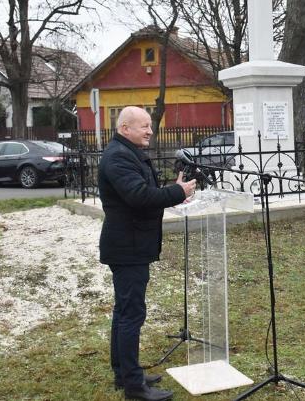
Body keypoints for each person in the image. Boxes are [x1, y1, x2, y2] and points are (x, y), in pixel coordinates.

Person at [99, 106, 196, 401]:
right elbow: (139, 196)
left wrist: (172, 192)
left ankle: (125, 373)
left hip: (131, 244)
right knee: (131, 314)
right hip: (127, 247)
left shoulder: (128, 152)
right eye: (144, 126)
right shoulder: (118, 156)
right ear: (125, 127)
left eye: (150, 126)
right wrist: (179, 192)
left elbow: (145, 192)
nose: (150, 131)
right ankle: (134, 388)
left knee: (124, 311)